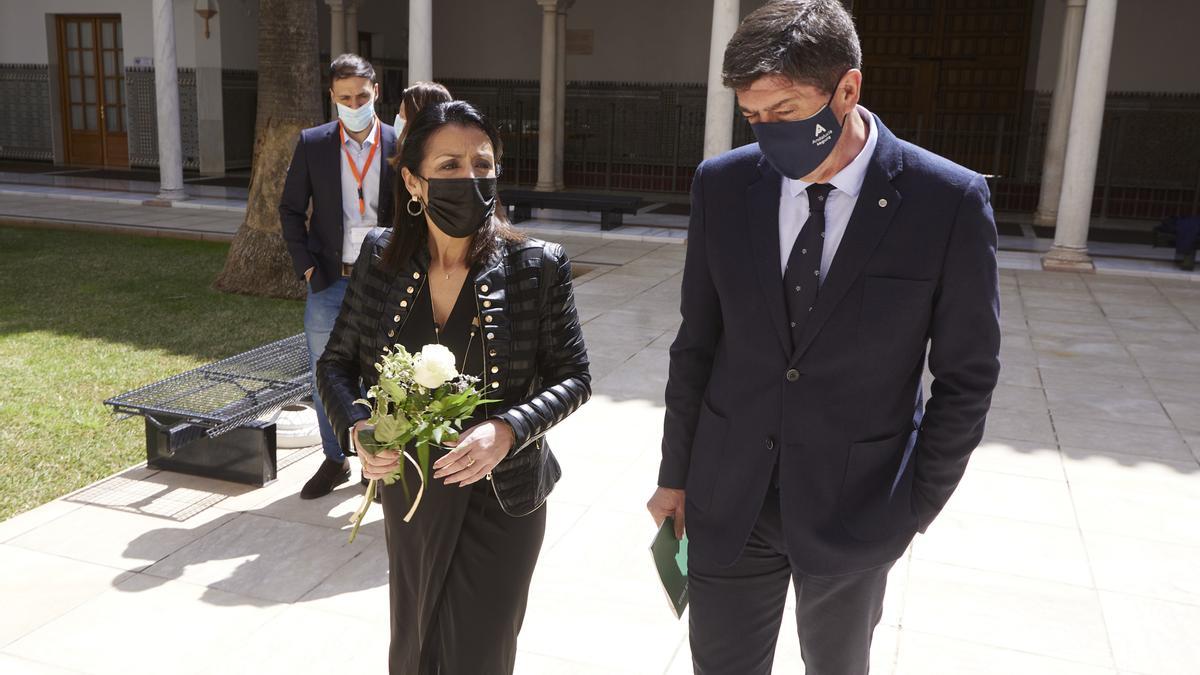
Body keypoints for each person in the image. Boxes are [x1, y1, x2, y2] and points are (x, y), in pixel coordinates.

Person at [645, 2, 1001, 673]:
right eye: (752, 115)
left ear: (847, 89)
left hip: (857, 507)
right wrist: (675, 475)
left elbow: (968, 375)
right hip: (728, 497)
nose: (764, 130)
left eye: (783, 111)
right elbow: (698, 342)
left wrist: (912, 506)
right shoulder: (722, 185)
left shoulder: (946, 201)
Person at [316, 100, 591, 674]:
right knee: (415, 643)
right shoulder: (381, 257)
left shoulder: (537, 264)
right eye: (449, 166)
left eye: (482, 164)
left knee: (479, 652)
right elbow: (337, 364)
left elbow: (573, 376)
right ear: (413, 180)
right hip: (413, 492)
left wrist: (508, 429)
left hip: (503, 494)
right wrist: (360, 427)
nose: (470, 178)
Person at [280, 53, 398, 499]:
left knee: (385, 373)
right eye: (345, 97)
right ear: (332, 97)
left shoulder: (397, 143)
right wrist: (306, 265)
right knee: (323, 373)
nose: (354, 103)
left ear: (376, 94)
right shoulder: (312, 143)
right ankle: (335, 459)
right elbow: (290, 209)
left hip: (385, 280)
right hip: (331, 279)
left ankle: (377, 462)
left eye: (362, 96)